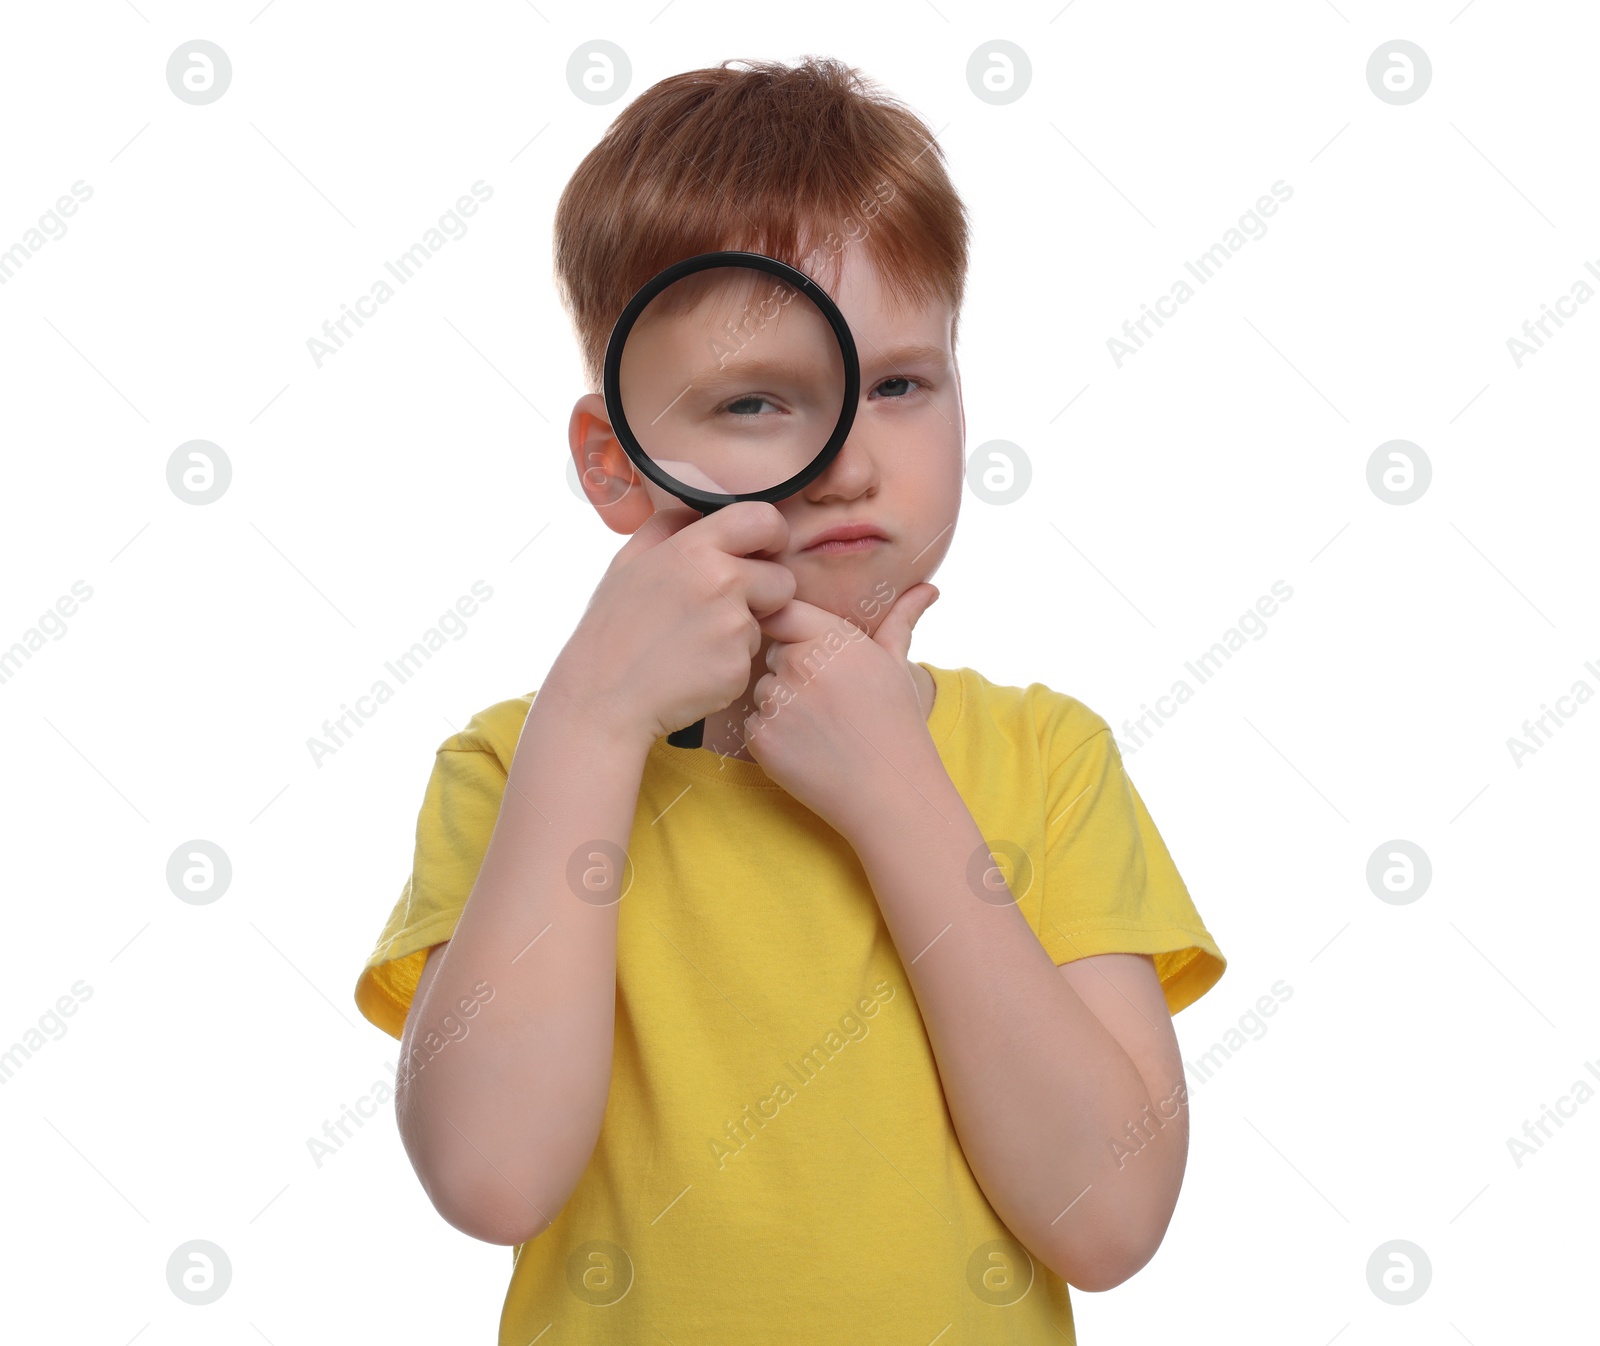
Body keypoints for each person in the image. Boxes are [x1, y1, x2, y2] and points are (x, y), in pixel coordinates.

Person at [354, 55, 1227, 1344]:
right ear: (617, 463)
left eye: (899, 385)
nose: (852, 460)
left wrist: (896, 791)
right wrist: (591, 722)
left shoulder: (1048, 756)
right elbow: (490, 1177)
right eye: (759, 400)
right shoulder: (517, 765)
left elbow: (1108, 1219)